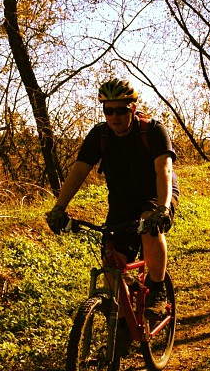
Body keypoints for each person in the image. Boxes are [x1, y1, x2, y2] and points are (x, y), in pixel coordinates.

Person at [45, 78, 179, 319]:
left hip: (155, 192)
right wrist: (59, 208)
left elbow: (164, 171)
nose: (114, 116)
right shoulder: (100, 136)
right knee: (110, 258)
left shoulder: (154, 130)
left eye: (121, 110)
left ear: (133, 108)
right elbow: (78, 172)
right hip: (122, 199)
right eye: (108, 110)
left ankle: (157, 289)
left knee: (150, 226)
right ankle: (123, 325)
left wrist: (164, 208)